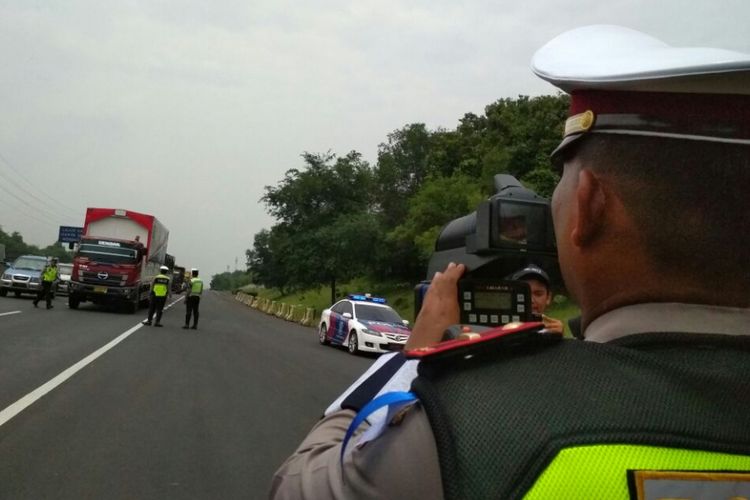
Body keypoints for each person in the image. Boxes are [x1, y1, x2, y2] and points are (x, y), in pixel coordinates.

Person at [271, 25, 750, 499]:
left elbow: (294, 486)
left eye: (559, 182)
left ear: (589, 207)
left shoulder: (465, 426)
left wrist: (410, 357)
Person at [507, 264, 564, 334]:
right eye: (524, 294)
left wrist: (558, 338)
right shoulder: (502, 330)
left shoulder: (553, 329)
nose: (531, 300)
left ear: (548, 298)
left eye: (538, 294)